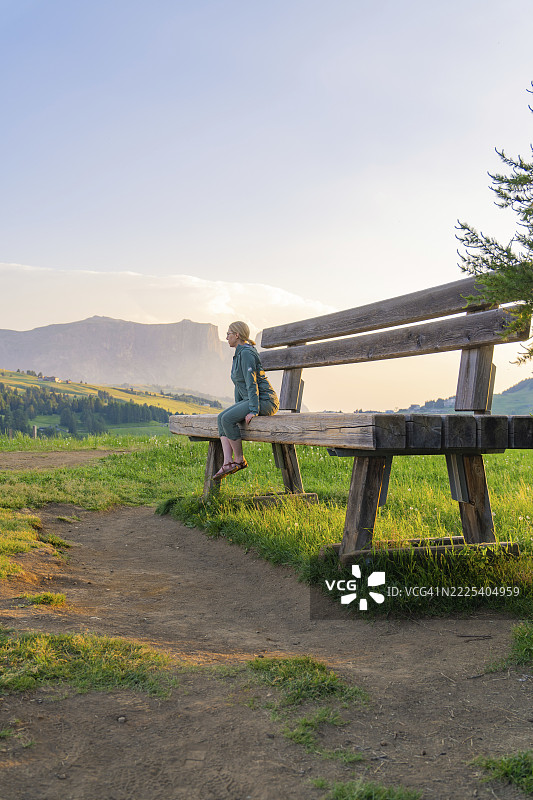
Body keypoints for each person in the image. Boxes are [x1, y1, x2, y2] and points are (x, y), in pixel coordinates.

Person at [213, 321, 279, 480]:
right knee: (221, 418)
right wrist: (238, 408)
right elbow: (239, 385)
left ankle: (239, 460)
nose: (226, 336)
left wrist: (253, 410)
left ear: (237, 335)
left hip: (265, 401)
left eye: (229, 333)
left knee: (228, 419)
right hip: (253, 399)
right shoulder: (239, 354)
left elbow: (252, 383)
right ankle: (228, 462)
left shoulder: (247, 353)